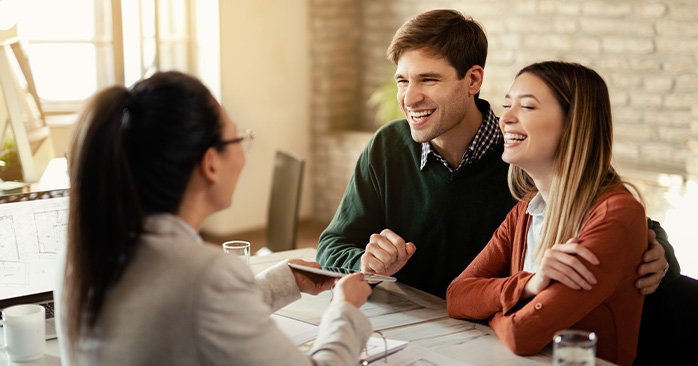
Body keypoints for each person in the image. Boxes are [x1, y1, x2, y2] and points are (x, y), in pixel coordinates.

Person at [316, 8, 678, 299]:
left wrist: (660, 252)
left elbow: (627, 218)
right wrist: (365, 263)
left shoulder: (527, 151)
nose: (409, 98)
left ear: (473, 80)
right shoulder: (388, 146)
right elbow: (332, 244)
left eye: (428, 80)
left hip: (495, 334)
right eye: (402, 81)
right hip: (411, 330)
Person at [56, 71, 373, 365]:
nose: (243, 154)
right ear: (210, 164)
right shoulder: (204, 273)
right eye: (238, 139)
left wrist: (285, 280)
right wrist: (344, 311)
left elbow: (190, 312)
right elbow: (202, 297)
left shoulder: (85, 250)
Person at [446, 61, 645, 365]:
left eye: (526, 107)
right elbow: (457, 296)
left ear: (574, 124)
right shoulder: (526, 209)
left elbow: (521, 335)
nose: (505, 119)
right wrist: (529, 284)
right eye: (507, 105)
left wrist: (494, 310)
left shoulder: (615, 215)